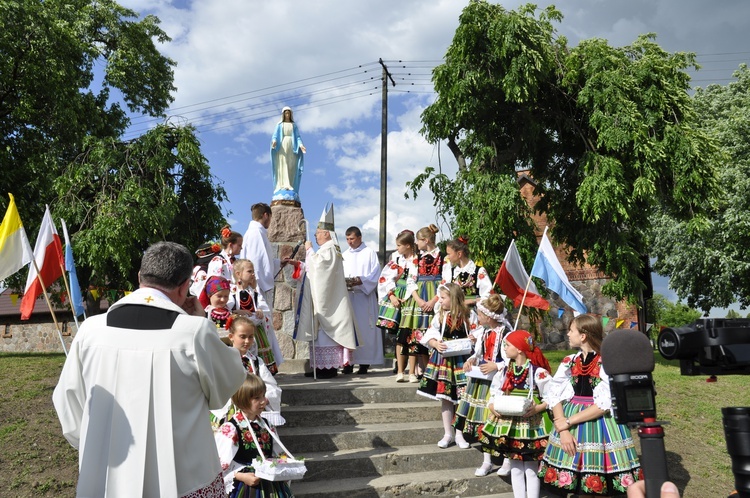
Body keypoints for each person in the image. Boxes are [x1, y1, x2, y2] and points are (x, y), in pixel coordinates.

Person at [52, 241, 246, 498]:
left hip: (105, 476)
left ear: (139, 277)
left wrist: (95, 445)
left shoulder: (90, 331)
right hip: (179, 479)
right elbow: (227, 383)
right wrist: (200, 321)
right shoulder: (193, 332)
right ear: (184, 286)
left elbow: (67, 400)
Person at [539, 314, 642, 496]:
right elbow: (553, 393)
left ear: (583, 336)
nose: (568, 334)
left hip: (598, 424)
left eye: (571, 331)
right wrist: (562, 427)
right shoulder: (569, 362)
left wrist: (568, 422)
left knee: (594, 484)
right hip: (568, 423)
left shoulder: (606, 363)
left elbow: (604, 404)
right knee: (576, 482)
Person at [480, 330, 552, 498]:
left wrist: (538, 408)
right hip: (509, 423)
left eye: (508, 345)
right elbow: (494, 391)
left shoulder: (538, 372)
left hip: (530, 424)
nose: (504, 348)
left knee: (531, 468)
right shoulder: (505, 371)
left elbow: (550, 397)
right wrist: (492, 405)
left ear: (519, 348)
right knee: (515, 466)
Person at [294, 203, 360, 379]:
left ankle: (327, 369)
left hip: (328, 303)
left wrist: (308, 250)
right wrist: (301, 263)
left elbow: (320, 269)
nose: (315, 236)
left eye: (317, 234)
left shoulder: (330, 249)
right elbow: (314, 267)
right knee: (320, 334)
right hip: (328, 299)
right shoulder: (329, 249)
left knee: (324, 333)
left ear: (326, 234)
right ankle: (321, 367)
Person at [452, 295, 513, 472]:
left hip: (500, 383)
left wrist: (497, 365)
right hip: (482, 382)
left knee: (500, 420)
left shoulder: (506, 333)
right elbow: (478, 353)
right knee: (483, 421)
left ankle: (507, 459)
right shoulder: (484, 333)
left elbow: (512, 359)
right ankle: (487, 460)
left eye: (479, 314)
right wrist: (471, 360)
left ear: (489, 316)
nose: (477, 317)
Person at [418, 282, 478, 449]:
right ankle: (447, 433)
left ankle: (459, 433)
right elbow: (429, 334)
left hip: (463, 360)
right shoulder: (440, 316)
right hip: (445, 361)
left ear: (453, 298)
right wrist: (435, 343)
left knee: (461, 397)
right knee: (445, 397)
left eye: (443, 298)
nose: (440, 301)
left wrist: (474, 338)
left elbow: (477, 332)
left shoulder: (468, 315)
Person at [215, 374, 294, 498]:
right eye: (257, 398)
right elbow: (218, 467)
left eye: (263, 395)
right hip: (245, 486)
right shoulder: (231, 428)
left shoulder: (267, 426)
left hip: (271, 485)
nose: (264, 401)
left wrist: (286, 465)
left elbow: (278, 454)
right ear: (242, 400)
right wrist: (239, 476)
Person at [211, 315, 284, 430]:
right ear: (231, 336)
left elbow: (272, 386)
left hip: (252, 414)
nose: (247, 341)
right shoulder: (222, 360)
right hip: (229, 413)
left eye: (250, 337)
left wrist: (261, 398)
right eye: (242, 337)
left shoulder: (256, 362)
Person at [376, 229, 420, 382]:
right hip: (399, 296)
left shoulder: (419, 259)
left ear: (408, 245)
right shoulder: (397, 259)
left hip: (414, 297)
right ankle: (400, 371)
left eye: (399, 245)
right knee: (400, 335)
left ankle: (412, 372)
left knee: (413, 334)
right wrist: (392, 295)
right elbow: (385, 277)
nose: (397, 249)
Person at [342, 226, 384, 374]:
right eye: (347, 239)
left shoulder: (370, 253)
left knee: (365, 330)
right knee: (348, 330)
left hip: (364, 297)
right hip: (349, 297)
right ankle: (348, 363)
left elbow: (375, 274)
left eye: (352, 239)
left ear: (359, 237)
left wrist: (361, 280)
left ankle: (365, 363)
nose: (349, 242)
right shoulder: (344, 254)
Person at [233, 258, 284, 375]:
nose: (253, 274)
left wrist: (260, 310)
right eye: (249, 271)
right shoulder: (233, 292)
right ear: (238, 274)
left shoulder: (254, 292)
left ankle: (261, 376)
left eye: (253, 271)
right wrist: (237, 311)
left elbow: (263, 307)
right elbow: (228, 309)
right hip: (241, 331)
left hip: (256, 331)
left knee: (258, 357)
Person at [406, 224, 443, 377]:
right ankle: (422, 369)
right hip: (419, 296)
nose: (416, 243)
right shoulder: (417, 259)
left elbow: (445, 280)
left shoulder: (443, 257)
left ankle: (435, 368)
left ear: (426, 240)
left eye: (418, 240)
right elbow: (410, 280)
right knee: (417, 333)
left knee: (435, 330)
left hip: (437, 296)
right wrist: (419, 300)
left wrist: (434, 301)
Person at [239, 202, 291, 310]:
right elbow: (256, 262)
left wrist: (279, 263)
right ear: (266, 215)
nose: (270, 221)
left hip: (258, 284)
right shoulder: (256, 233)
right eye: (271, 217)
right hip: (257, 286)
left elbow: (263, 259)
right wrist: (257, 285)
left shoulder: (258, 232)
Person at [441, 236, 492, 306]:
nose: (447, 257)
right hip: (455, 313)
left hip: (474, 313)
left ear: (459, 254)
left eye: (449, 254)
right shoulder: (450, 272)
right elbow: (442, 293)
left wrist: (472, 301)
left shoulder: (478, 271)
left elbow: (487, 295)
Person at [270, 106, 306, 204]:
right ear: (283, 114)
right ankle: (283, 185)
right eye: (286, 113)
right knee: (283, 164)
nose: (287, 115)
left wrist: (301, 146)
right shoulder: (280, 125)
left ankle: (290, 184)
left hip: (292, 147)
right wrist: (274, 142)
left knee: (291, 167)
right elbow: (275, 136)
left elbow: (298, 137)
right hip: (282, 147)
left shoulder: (293, 125)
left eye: (289, 113)